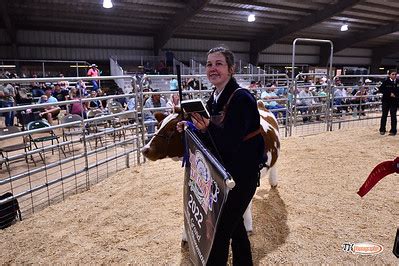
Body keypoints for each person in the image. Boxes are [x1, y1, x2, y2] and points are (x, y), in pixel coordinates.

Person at [177, 47, 264, 265]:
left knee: (220, 232)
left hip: (241, 177)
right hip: (223, 174)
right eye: (209, 64)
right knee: (235, 228)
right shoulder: (214, 97)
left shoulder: (242, 98)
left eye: (218, 64)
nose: (212, 68)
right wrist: (190, 126)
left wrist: (207, 128)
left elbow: (230, 142)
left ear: (231, 69)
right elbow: (211, 136)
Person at [378, 69, 398, 135]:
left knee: (393, 116)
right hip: (386, 100)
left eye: (395, 74)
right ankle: (382, 129)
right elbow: (381, 89)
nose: (394, 75)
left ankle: (393, 130)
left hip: (394, 101)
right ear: (389, 75)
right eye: (393, 74)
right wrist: (389, 93)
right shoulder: (386, 82)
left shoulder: (398, 82)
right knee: (384, 115)